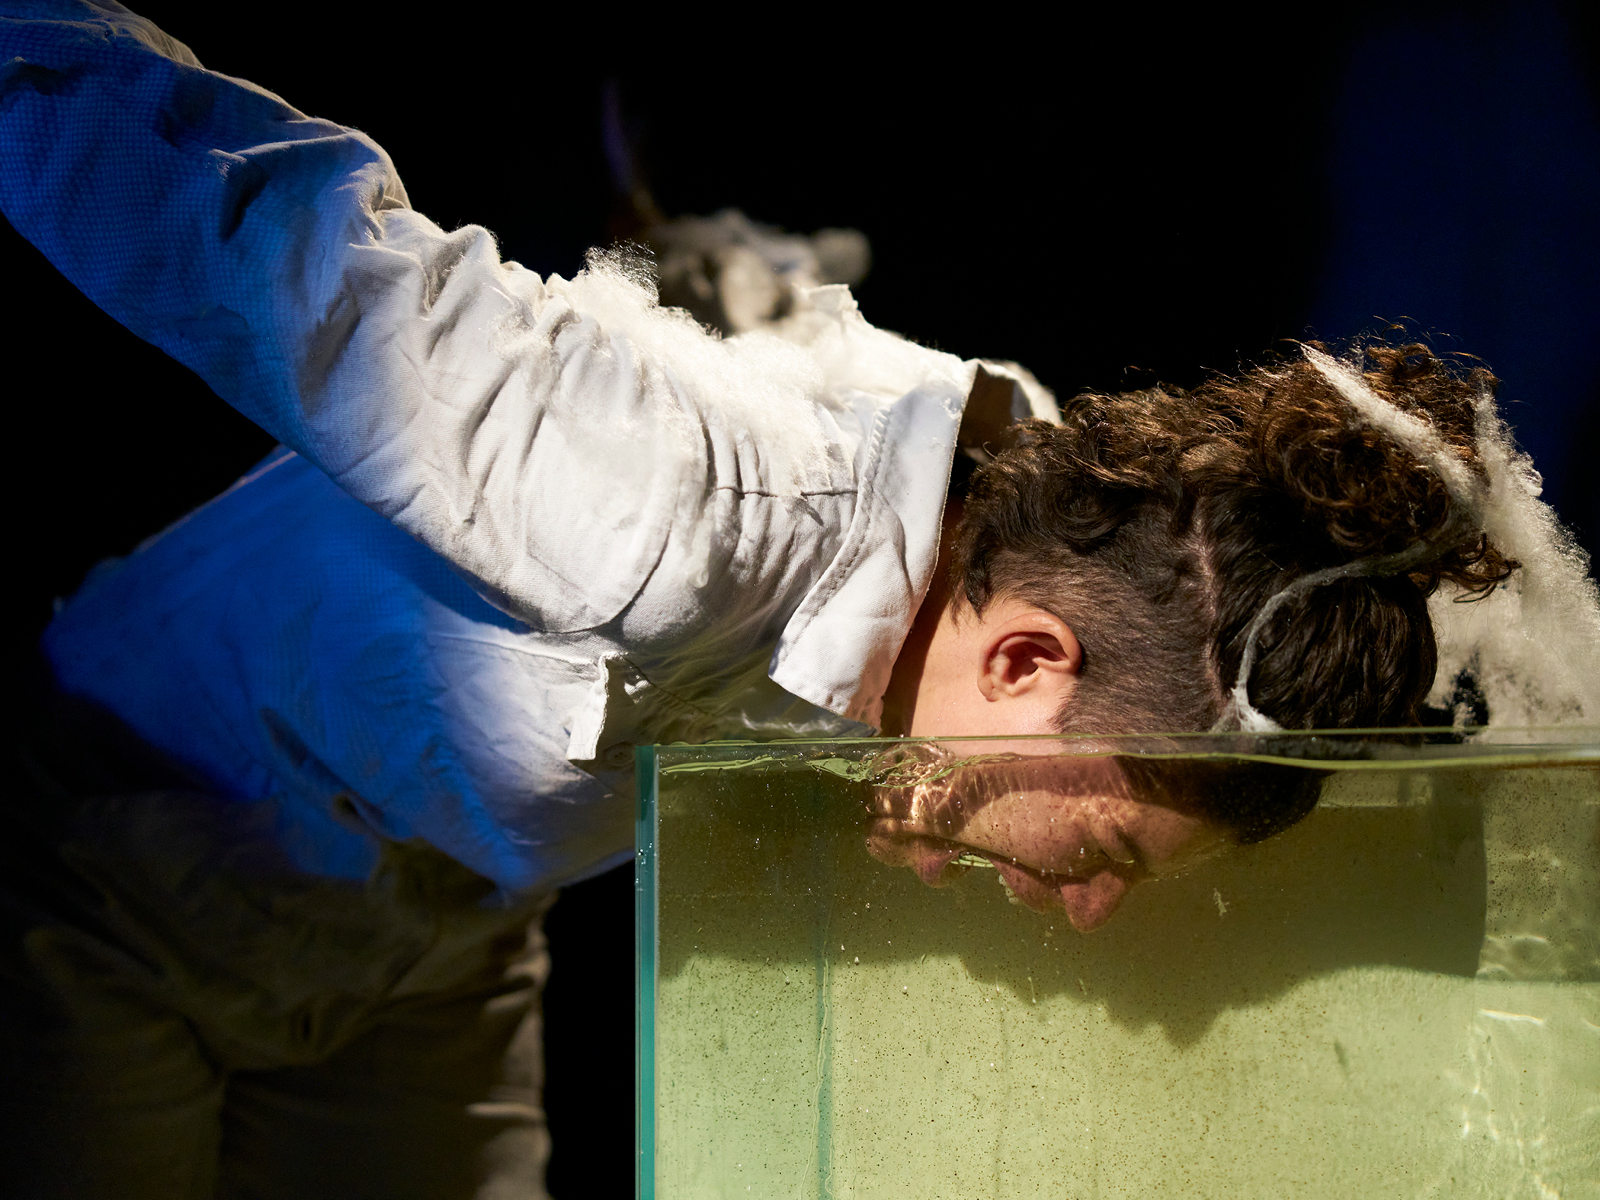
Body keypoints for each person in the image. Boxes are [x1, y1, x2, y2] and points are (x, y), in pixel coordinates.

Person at [0, 3, 1523, 1197]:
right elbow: (262, 239)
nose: (1092, 902)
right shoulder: (667, 502)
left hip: (431, 947)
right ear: (1025, 662)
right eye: (1111, 844)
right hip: (123, 874)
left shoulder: (1064, 533)